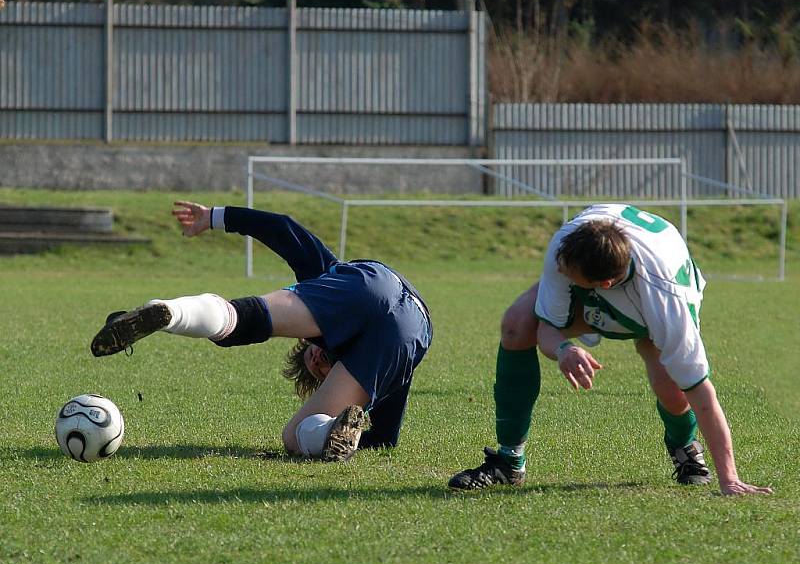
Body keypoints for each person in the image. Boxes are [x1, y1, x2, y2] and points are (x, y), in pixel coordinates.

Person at [449, 204, 772, 495]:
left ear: (602, 285)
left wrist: (729, 478)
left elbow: (701, 393)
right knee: (516, 325)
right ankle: (508, 462)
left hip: (646, 302)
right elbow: (546, 326)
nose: (559, 270)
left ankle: (684, 447)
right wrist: (564, 349)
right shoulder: (568, 246)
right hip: (603, 285)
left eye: (568, 273)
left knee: (673, 390)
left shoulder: (666, 301)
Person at [91, 201, 432, 462]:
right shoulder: (332, 280)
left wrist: (216, 216)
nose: (319, 360)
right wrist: (214, 216)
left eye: (318, 368)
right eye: (319, 364)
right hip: (395, 308)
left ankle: (175, 310)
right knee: (245, 319)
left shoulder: (334, 282)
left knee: (292, 437)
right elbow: (282, 229)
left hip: (387, 303)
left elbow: (284, 229)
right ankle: (169, 313)